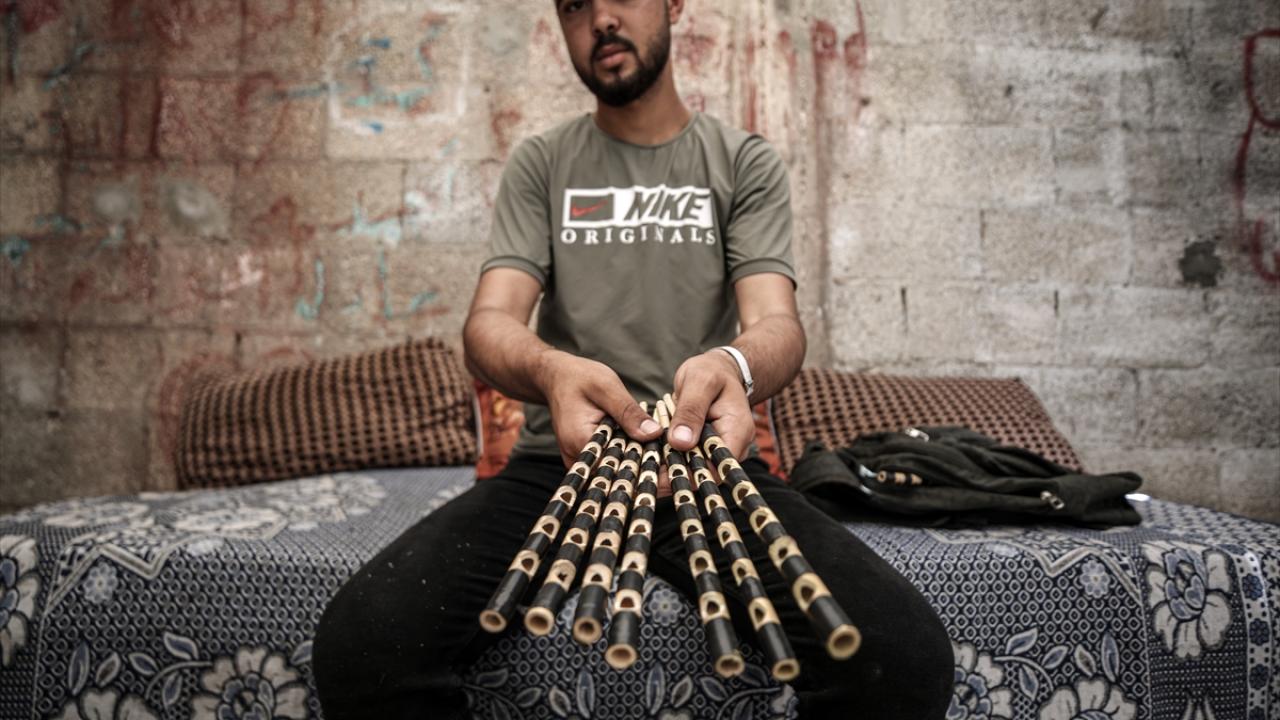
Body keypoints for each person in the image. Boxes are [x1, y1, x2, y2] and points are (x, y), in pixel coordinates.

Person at [312, 1, 953, 718]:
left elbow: (777, 324)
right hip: (559, 470)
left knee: (902, 661)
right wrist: (552, 370)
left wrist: (732, 367)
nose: (601, 19)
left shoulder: (741, 162)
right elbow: (488, 324)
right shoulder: (543, 163)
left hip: (702, 462)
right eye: (575, 5)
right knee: (361, 649)